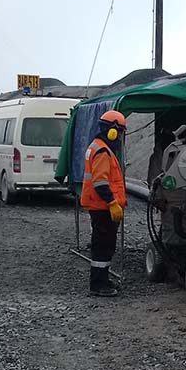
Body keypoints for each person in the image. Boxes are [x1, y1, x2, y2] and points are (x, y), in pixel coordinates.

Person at [80, 110, 128, 297]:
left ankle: (102, 278)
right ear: (113, 131)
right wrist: (112, 203)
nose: (121, 137)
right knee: (103, 245)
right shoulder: (102, 151)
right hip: (103, 207)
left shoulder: (99, 147)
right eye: (121, 132)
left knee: (104, 244)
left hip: (100, 206)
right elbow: (100, 182)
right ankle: (98, 285)